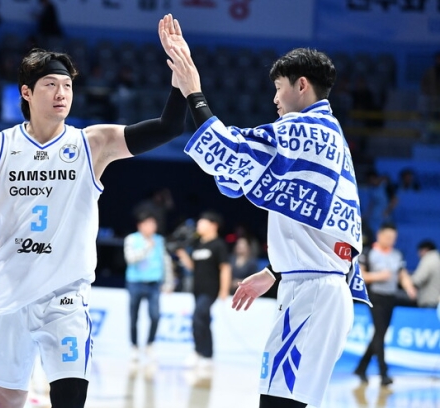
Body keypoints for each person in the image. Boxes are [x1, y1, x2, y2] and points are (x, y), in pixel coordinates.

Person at [0, 39, 187, 407]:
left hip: (66, 298)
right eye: (51, 85)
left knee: (70, 398)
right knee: (6, 402)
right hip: (9, 296)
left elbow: (168, 127)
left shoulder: (93, 143)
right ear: (26, 92)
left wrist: (181, 81)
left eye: (67, 86)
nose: (61, 93)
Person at [157, 14, 369, 408]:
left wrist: (193, 91)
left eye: (278, 88)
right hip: (312, 287)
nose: (274, 99)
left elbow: (231, 151)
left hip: (314, 294)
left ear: (301, 85)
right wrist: (275, 271)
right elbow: (323, 227)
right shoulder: (330, 137)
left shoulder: (306, 131)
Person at [353, 223, 416, 386]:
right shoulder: (368, 253)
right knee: (380, 333)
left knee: (379, 334)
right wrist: (378, 276)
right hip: (375, 297)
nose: (390, 240)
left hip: (390, 298)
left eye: (393, 238)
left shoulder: (396, 254)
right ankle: (383, 374)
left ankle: (361, 368)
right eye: (387, 237)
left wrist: (409, 287)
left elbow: (402, 274)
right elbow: (361, 275)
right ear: (379, 235)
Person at [175, 211, 230, 378]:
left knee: (198, 317)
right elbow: (194, 266)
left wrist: (224, 290)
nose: (198, 225)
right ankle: (208, 355)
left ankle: (198, 351)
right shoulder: (198, 244)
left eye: (202, 222)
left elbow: (225, 268)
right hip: (197, 289)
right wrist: (182, 254)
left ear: (213, 225)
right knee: (204, 320)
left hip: (211, 289)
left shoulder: (218, 245)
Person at [124, 212, 173, 362]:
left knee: (155, 316)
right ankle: (134, 346)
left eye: (153, 224)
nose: (151, 227)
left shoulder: (159, 240)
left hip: (154, 284)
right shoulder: (132, 239)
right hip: (135, 283)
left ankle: (150, 344)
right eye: (148, 224)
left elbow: (165, 261)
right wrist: (147, 247)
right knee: (134, 316)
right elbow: (130, 259)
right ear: (140, 225)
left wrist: (169, 282)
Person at [410, 240, 440, 309]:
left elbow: (417, 279)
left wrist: (405, 281)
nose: (418, 255)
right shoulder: (438, 259)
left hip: (430, 302)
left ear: (424, 250)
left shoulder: (429, 259)